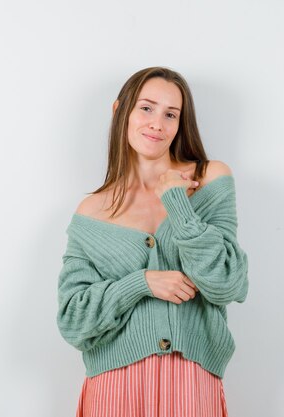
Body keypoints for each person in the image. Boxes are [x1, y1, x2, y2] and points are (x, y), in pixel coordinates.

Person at [56, 66, 249, 417]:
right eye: (146, 108)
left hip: (192, 381)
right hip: (113, 387)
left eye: (170, 114)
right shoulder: (92, 211)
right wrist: (140, 284)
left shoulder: (209, 180)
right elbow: (73, 320)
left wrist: (179, 205)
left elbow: (226, 284)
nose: (157, 123)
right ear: (121, 111)